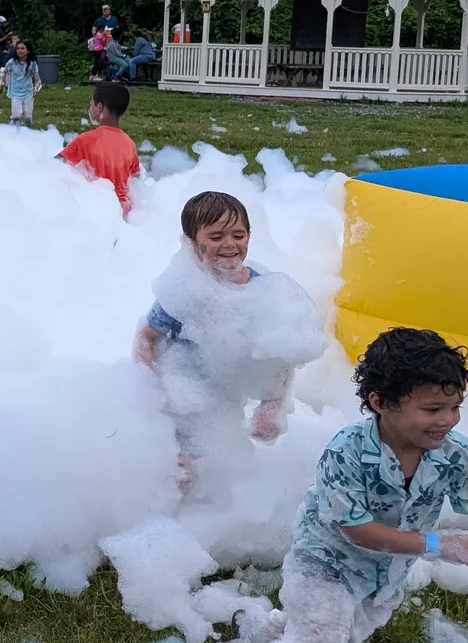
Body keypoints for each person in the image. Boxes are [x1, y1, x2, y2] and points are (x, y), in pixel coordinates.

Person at [263, 328, 468, 643]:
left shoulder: (456, 454)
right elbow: (356, 529)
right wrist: (437, 545)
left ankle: (262, 630)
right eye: (432, 409)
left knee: (337, 641)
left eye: (455, 408)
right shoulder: (346, 453)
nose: (448, 420)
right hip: (327, 561)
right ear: (381, 403)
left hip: (385, 575)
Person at [134, 191, 326, 493]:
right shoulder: (183, 291)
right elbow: (147, 336)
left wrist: (271, 405)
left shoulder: (263, 291)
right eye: (216, 236)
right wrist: (145, 383)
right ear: (191, 243)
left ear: (249, 236)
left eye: (238, 234)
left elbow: (281, 354)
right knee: (183, 464)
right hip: (182, 381)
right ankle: (173, 508)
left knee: (216, 454)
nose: (229, 244)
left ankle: (210, 502)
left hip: (225, 387)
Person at [59, 81, 140, 214]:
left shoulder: (86, 140)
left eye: (91, 104)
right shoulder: (129, 144)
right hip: (124, 211)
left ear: (99, 107)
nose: (90, 108)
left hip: (97, 208)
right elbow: (136, 180)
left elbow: (54, 165)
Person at [1, 39, 41, 122]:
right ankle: (12, 129)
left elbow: (37, 80)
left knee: (28, 118)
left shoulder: (32, 64)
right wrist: (2, 84)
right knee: (16, 117)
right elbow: (4, 73)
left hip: (28, 93)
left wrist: (36, 88)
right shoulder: (11, 62)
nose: (19, 50)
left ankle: (28, 133)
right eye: (18, 48)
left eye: (22, 48)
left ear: (28, 51)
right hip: (15, 93)